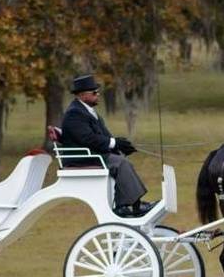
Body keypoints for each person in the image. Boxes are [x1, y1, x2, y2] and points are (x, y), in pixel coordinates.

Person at [61, 74, 154, 217]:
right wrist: (114, 143)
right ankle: (130, 206)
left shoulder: (89, 112)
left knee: (120, 158)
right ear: (82, 95)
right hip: (82, 158)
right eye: (94, 92)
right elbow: (88, 139)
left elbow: (104, 136)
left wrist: (119, 145)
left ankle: (128, 204)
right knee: (120, 163)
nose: (98, 94)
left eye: (97, 91)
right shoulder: (74, 113)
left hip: (93, 154)